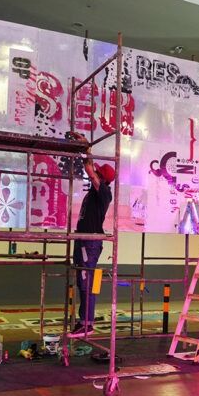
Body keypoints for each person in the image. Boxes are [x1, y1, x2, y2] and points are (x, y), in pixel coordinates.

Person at [70, 134, 114, 333]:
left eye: (98, 173)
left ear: (103, 179)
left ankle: (87, 323)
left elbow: (89, 169)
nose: (93, 173)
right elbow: (90, 170)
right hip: (83, 240)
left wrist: (86, 149)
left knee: (86, 282)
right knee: (82, 282)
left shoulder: (103, 192)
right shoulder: (95, 192)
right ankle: (84, 321)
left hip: (90, 242)